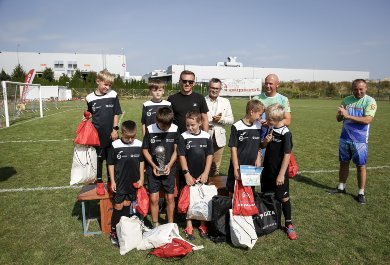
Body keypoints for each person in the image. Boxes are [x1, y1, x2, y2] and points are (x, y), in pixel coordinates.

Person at [328, 79, 377, 205]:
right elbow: (339, 119)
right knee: (343, 163)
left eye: (361, 89)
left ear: (366, 88)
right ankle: (341, 187)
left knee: (360, 166)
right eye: (356, 89)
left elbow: (367, 120)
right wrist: (340, 114)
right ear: (352, 89)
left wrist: (348, 116)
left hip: (360, 141)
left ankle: (361, 192)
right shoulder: (346, 100)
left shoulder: (370, 101)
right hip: (345, 138)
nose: (358, 91)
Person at [261, 103, 297, 240]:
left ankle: (289, 224)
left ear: (276, 119)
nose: (266, 120)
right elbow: (264, 146)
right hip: (267, 170)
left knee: (283, 197)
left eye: (269, 118)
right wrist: (266, 141)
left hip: (279, 173)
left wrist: (282, 174)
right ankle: (269, 220)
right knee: (267, 195)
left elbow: (287, 155)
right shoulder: (271, 129)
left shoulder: (285, 133)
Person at [107, 120, 144, 246]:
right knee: (118, 206)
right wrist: (112, 181)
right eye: (128, 137)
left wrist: (141, 178)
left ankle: (123, 229)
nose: (130, 140)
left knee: (128, 204)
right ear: (122, 133)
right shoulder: (115, 145)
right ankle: (113, 232)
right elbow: (110, 164)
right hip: (120, 182)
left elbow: (141, 162)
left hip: (132, 182)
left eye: (133, 137)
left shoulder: (139, 144)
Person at [85, 69, 122, 195]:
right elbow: (90, 112)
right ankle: (100, 183)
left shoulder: (113, 95)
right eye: (105, 84)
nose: (108, 87)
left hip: (112, 134)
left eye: (110, 85)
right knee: (99, 160)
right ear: (98, 81)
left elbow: (116, 113)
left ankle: (112, 181)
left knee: (112, 159)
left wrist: (115, 129)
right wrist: (86, 117)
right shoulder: (89, 98)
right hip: (97, 136)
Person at [178, 111, 213, 240]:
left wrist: (206, 173)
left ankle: (203, 224)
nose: (190, 128)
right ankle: (189, 225)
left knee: (202, 198)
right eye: (187, 125)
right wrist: (186, 174)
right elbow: (181, 156)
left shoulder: (206, 136)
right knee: (189, 199)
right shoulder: (183, 136)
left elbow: (210, 155)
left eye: (192, 125)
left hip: (202, 174)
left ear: (199, 123)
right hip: (188, 174)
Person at [142, 107, 179, 227]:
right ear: (157, 121)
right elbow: (145, 150)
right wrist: (153, 166)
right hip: (153, 169)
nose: (165, 129)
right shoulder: (150, 129)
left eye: (167, 126)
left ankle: (170, 225)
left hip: (169, 167)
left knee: (170, 197)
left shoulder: (175, 128)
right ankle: (155, 224)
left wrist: (169, 165)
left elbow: (176, 151)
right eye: (163, 126)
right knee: (153, 198)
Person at [226, 99, 264, 194]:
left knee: (249, 193)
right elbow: (233, 148)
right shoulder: (236, 126)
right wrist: (236, 168)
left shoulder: (258, 126)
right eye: (259, 114)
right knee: (233, 192)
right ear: (252, 112)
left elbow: (258, 146)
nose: (260, 118)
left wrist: (258, 159)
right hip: (239, 166)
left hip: (251, 167)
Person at [205, 78, 234, 176]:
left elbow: (231, 120)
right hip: (205, 136)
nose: (215, 90)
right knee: (203, 164)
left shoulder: (225, 101)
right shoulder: (202, 100)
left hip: (219, 139)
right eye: (213, 88)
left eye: (217, 88)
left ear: (220, 89)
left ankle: (213, 188)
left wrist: (220, 120)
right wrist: (208, 123)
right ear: (209, 88)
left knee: (215, 167)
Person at [254, 74, 291, 150]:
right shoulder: (256, 98)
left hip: (276, 137)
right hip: (258, 136)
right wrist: (260, 120)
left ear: (277, 84)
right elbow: (250, 117)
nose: (267, 86)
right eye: (266, 83)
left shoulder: (283, 99)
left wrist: (270, 124)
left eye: (270, 83)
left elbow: (288, 121)